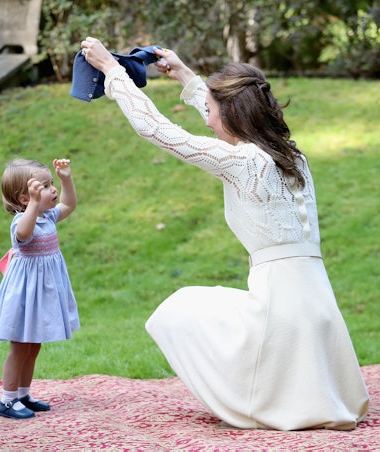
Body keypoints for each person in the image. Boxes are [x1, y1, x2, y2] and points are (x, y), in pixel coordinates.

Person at [79, 37, 369, 430]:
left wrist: (112, 72)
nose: (208, 120)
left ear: (232, 115)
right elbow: (226, 115)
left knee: (178, 308)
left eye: (212, 112)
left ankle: (254, 400)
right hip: (316, 304)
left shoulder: (243, 161)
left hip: (280, 307)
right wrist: (183, 74)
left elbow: (159, 131)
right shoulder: (289, 156)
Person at [0, 158, 80, 419]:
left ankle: (23, 394)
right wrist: (35, 205)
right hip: (24, 295)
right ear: (25, 199)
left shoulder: (47, 216)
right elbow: (23, 236)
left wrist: (66, 178)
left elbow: (69, 204)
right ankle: (7, 400)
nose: (52, 190)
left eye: (51, 184)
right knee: (19, 347)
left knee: (33, 346)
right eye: (45, 186)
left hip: (42, 294)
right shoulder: (21, 221)